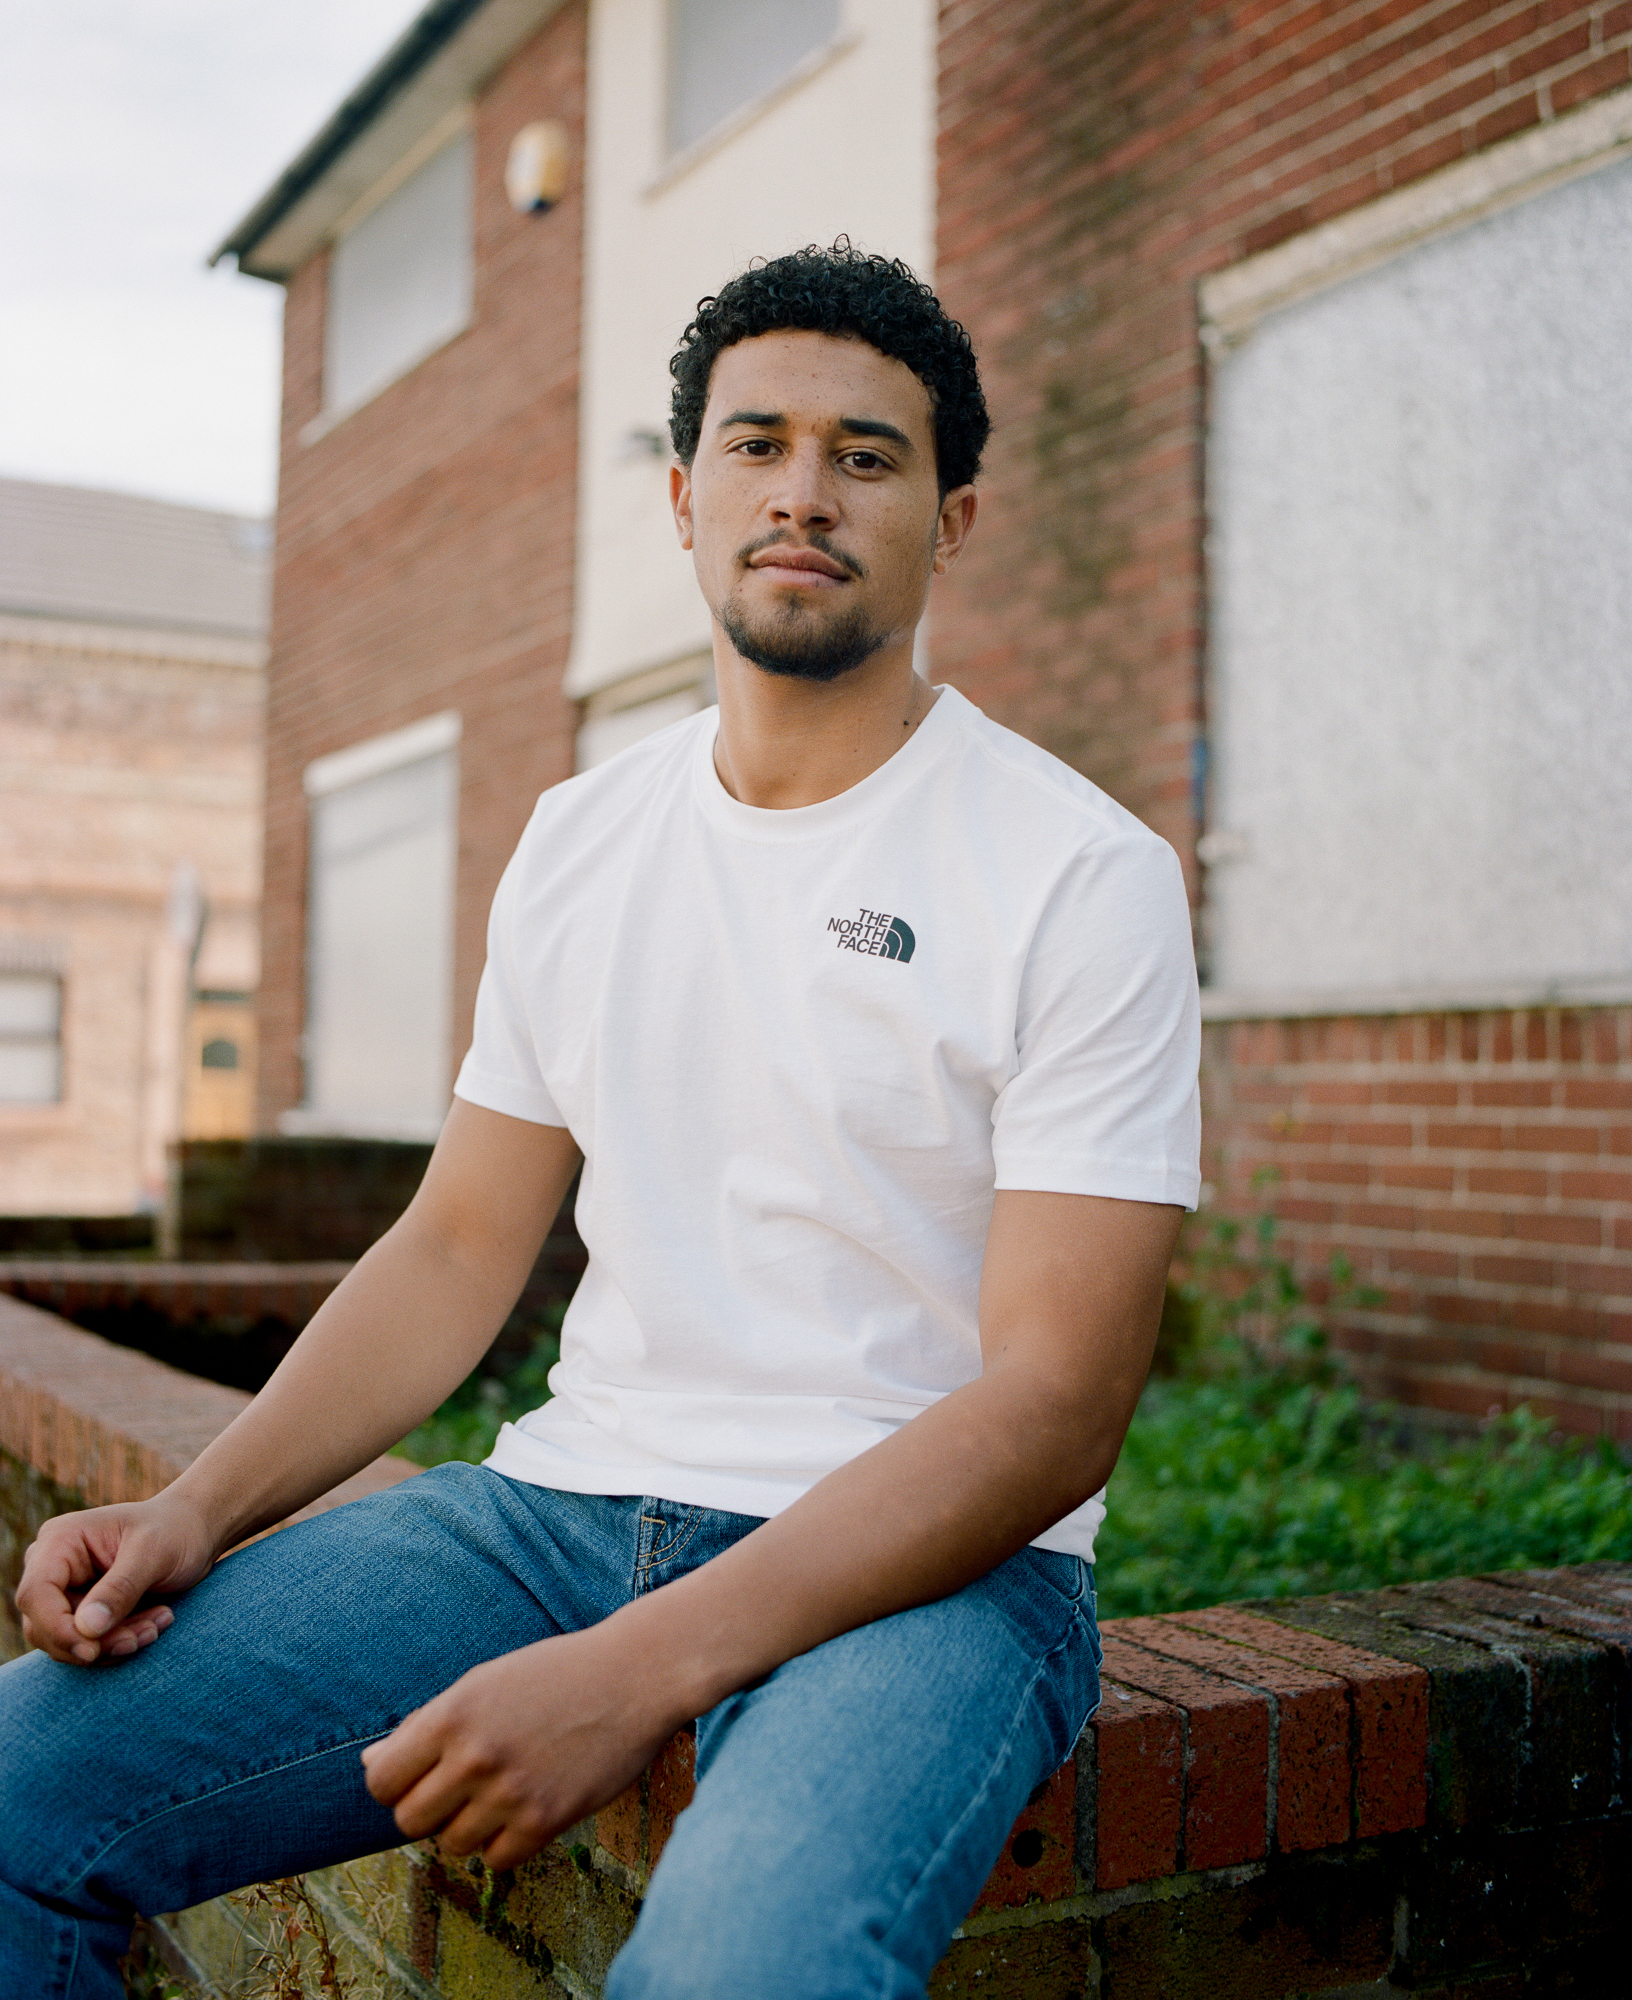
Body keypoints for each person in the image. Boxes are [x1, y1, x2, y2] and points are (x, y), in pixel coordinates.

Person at [1, 243, 1200, 1999]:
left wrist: (639, 1671)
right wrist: (201, 1506)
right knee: (19, 1789)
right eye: (757, 443)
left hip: (933, 1580)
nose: (803, 493)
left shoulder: (1078, 873)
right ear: (685, 495)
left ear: (951, 521)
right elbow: (456, 1245)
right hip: (555, 1517)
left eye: (867, 457)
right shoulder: (581, 838)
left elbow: (1055, 1406)